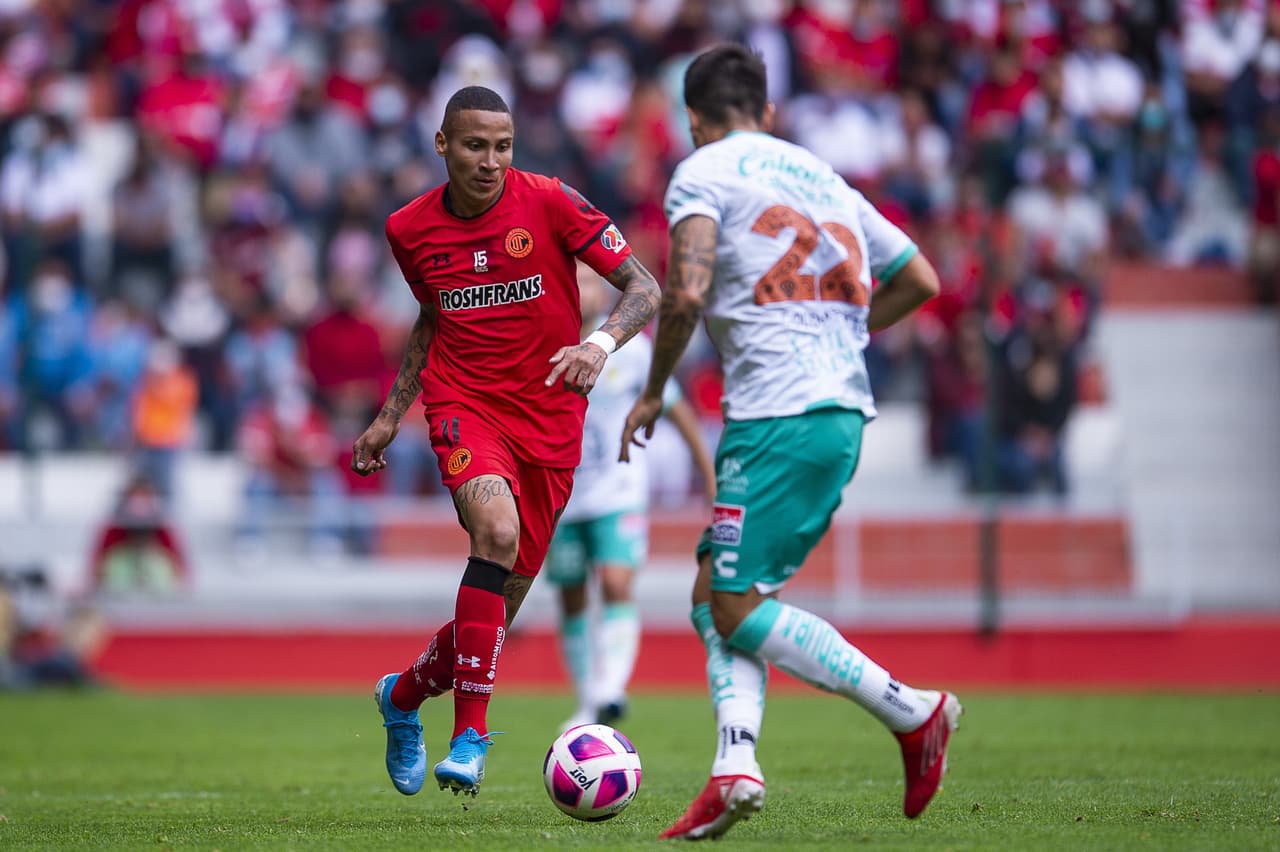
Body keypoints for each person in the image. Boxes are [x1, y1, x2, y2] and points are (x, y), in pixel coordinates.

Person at [620, 45, 961, 841]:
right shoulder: (826, 179)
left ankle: (913, 713)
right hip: (833, 407)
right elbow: (921, 280)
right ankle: (734, 767)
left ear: (696, 120)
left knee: (735, 606)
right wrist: (837, 331)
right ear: (768, 112)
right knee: (716, 595)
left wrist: (654, 387)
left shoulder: (703, 172)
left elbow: (689, 288)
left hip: (778, 414)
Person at [350, 85, 660, 799]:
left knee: (493, 617)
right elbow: (431, 317)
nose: (490, 161)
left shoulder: (551, 201)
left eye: (502, 146)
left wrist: (600, 343)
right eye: (474, 145)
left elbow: (643, 287)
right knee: (493, 528)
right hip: (465, 406)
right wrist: (393, 413)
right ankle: (468, 735)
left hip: (550, 424)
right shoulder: (408, 228)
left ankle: (401, 697)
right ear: (442, 145)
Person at [550, 264, 717, 733]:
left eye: (591, 282)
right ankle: (589, 701)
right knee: (572, 596)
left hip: (619, 490)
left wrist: (708, 476)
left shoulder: (634, 351)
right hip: (561, 496)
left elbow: (675, 406)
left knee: (617, 583)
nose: (585, 291)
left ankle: (611, 688)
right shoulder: (545, 349)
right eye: (576, 281)